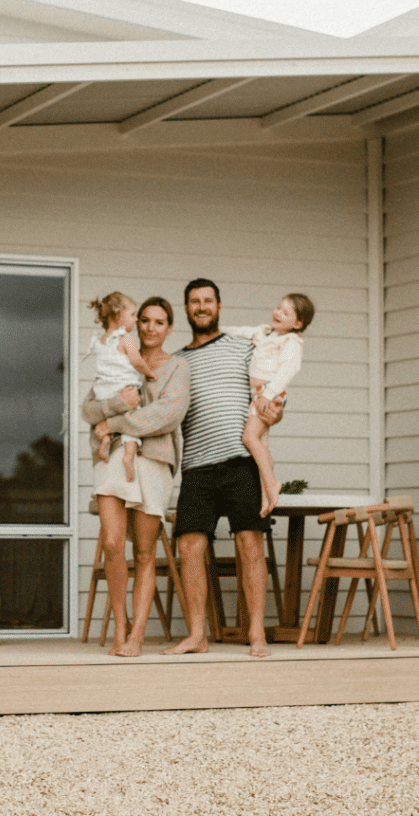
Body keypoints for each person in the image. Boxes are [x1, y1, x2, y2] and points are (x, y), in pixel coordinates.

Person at [164, 278, 283, 659]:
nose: (201, 307)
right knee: (189, 545)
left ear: (219, 305)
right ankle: (197, 635)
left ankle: (256, 633)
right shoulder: (177, 361)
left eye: (208, 301)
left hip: (240, 462)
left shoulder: (243, 346)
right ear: (186, 309)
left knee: (250, 543)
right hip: (196, 466)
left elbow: (268, 396)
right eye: (194, 302)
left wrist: (275, 412)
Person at [82, 297, 190, 657]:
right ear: (135, 322)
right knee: (113, 544)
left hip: (155, 461)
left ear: (169, 327)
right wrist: (116, 406)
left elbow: (167, 414)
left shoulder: (177, 367)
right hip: (113, 457)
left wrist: (111, 422)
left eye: (159, 322)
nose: (150, 327)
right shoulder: (116, 353)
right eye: (144, 319)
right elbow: (88, 408)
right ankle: (120, 626)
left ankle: (137, 635)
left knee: (145, 552)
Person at [222, 292, 315, 517]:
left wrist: (268, 394)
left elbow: (287, 371)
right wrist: (218, 330)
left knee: (249, 438)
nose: (278, 313)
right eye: (278, 307)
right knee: (261, 444)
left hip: (268, 394)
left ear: (298, 323)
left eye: (286, 312)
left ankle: (272, 483)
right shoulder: (264, 332)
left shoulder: (291, 342)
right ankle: (267, 499)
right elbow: (241, 331)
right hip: (258, 394)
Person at [87, 292, 158, 482]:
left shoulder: (101, 340)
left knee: (109, 420)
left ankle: (106, 439)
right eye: (133, 314)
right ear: (119, 315)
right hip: (123, 390)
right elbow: (137, 361)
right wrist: (149, 372)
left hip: (103, 392)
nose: (135, 319)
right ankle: (129, 454)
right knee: (131, 422)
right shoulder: (125, 338)